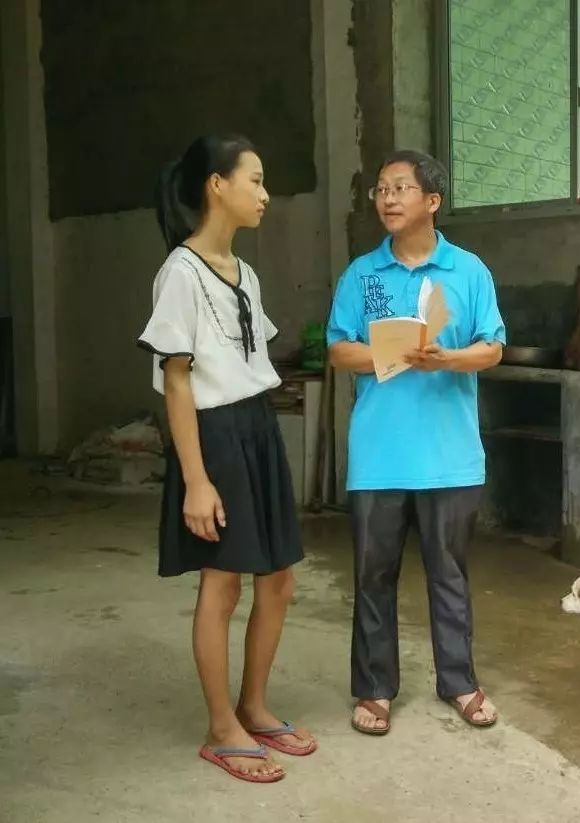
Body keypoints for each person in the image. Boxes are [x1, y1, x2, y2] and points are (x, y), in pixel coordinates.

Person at [137, 135, 316, 783]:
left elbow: (250, 360)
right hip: (211, 438)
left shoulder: (247, 273)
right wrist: (195, 480)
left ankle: (254, 705)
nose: (265, 194)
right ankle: (220, 727)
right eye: (257, 180)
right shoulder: (179, 274)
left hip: (256, 430)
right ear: (217, 185)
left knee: (279, 579)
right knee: (223, 582)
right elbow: (177, 381)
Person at [326, 149, 506, 735]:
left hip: (449, 457)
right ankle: (374, 689)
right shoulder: (361, 275)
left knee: (448, 574)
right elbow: (338, 350)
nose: (387, 199)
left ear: (432, 200)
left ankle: (460, 681)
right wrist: (399, 352)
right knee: (372, 575)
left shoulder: (469, 271)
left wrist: (446, 359)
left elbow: (492, 348)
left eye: (400, 188)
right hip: (379, 454)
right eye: (381, 189)